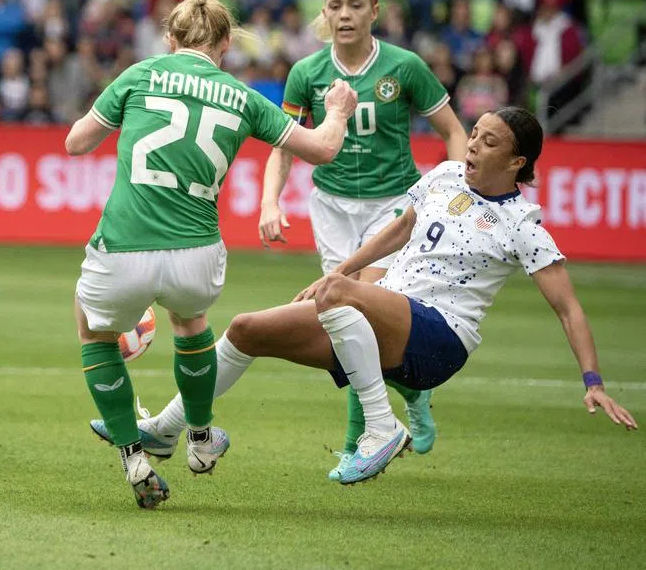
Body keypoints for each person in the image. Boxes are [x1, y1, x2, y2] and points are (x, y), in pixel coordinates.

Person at [118, 107, 639, 485]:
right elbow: (400, 229)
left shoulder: (522, 224)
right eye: (474, 135)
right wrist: (341, 271)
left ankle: (381, 426)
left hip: (440, 337)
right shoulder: (446, 174)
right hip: (382, 315)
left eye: (489, 142)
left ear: (517, 160)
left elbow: (568, 306)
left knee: (343, 295)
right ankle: (165, 431)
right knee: (246, 329)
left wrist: (592, 381)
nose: (474, 146)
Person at [111, 0, 468, 482]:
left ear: (374, 12)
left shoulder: (405, 68)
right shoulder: (307, 73)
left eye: (354, 5)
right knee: (345, 322)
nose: (344, 14)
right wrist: (269, 202)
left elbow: (454, 131)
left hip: (392, 205)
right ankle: (408, 394)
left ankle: (359, 442)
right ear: (323, 13)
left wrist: (448, 187)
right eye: (335, 6)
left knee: (353, 310)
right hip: (332, 207)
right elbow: (284, 144)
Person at [65, 0, 359, 509]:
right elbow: (323, 148)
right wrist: (336, 108)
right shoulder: (244, 96)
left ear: (170, 39)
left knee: (93, 328)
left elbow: (76, 142)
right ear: (225, 46)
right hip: (197, 254)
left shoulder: (140, 74)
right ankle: (200, 441)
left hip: (124, 245)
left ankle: (133, 456)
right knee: (191, 322)